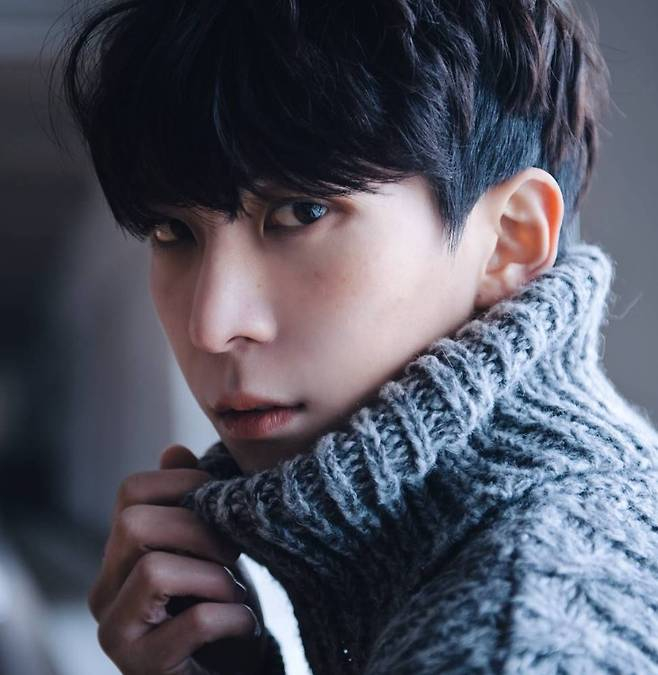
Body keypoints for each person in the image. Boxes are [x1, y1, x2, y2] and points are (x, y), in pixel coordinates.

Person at [52, 0, 658, 673]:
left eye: (300, 212)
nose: (212, 325)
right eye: (174, 233)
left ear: (509, 240)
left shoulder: (516, 634)